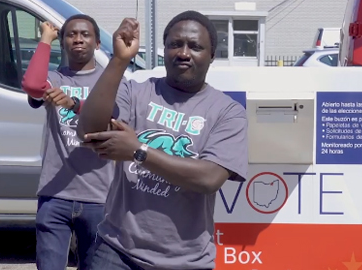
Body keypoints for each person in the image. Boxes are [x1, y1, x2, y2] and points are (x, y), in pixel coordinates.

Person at [75, 10, 249, 270]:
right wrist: (119, 61)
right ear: (164, 50)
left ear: (212, 55)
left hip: (186, 262)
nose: (184, 53)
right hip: (116, 252)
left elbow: (209, 178)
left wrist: (138, 151)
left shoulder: (228, 112)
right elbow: (88, 130)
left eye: (196, 46)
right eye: (175, 44)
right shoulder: (135, 92)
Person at [20, 14, 119, 270]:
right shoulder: (54, 79)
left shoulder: (109, 82)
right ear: (63, 42)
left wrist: (74, 104)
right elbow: (32, 85)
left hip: (99, 196)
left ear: (97, 43)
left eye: (85, 34)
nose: (78, 39)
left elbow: (115, 117)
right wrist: (45, 38)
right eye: (71, 35)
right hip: (55, 195)